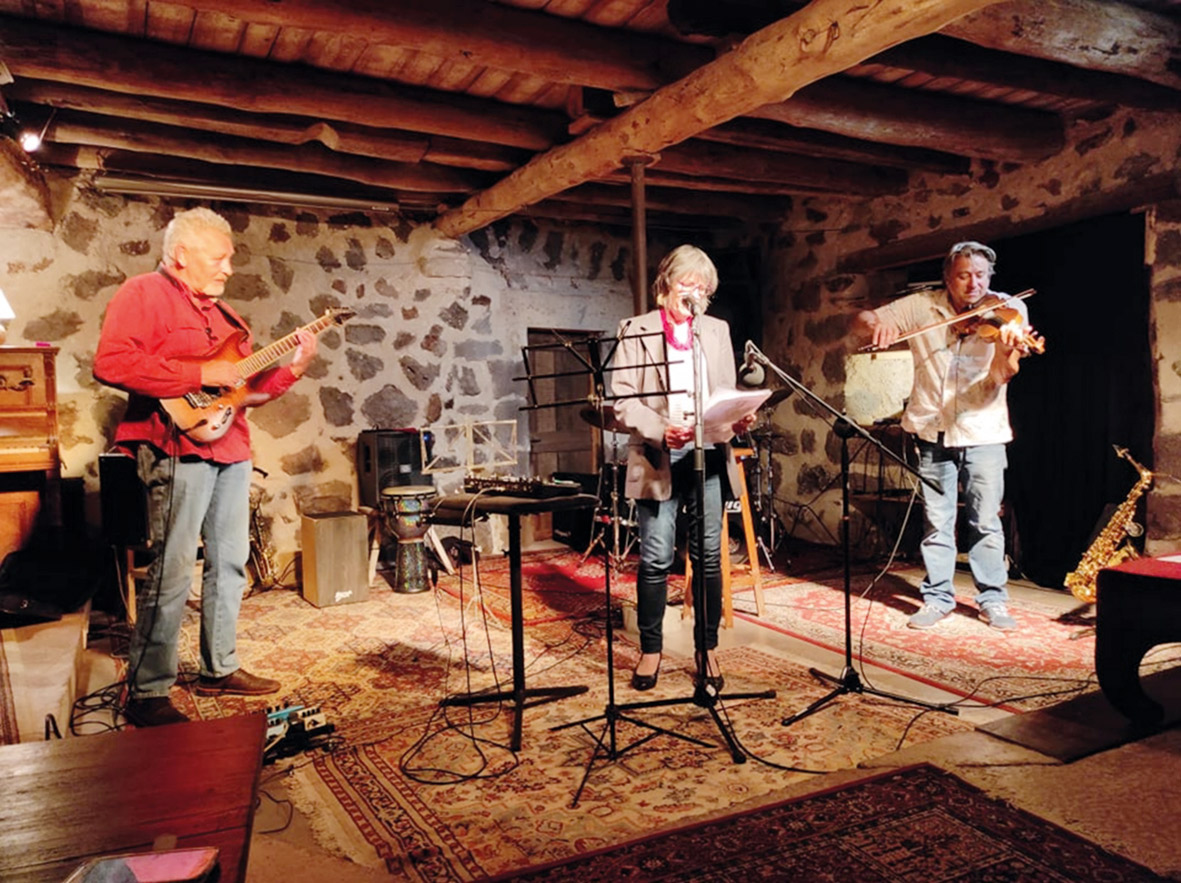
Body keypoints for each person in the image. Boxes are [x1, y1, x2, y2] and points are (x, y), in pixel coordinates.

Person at [95, 207, 316, 727]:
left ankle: (220, 668)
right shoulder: (143, 293)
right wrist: (198, 373)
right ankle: (148, 691)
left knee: (231, 562)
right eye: (219, 258)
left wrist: (294, 370)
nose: (228, 269)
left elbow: (245, 393)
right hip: (174, 447)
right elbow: (111, 363)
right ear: (181, 255)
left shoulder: (227, 317)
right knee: (173, 569)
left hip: (231, 449)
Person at [852, 240, 1039, 631]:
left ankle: (992, 599)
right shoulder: (922, 306)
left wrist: (1007, 349)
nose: (974, 284)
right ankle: (937, 598)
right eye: (964, 276)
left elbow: (1002, 375)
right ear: (948, 278)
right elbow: (863, 318)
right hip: (931, 429)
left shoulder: (1009, 309)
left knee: (985, 521)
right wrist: (876, 325)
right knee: (937, 521)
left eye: (981, 275)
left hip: (983, 429)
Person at [608, 245, 757, 692]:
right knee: (656, 556)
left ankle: (706, 648)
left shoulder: (715, 330)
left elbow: (724, 391)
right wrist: (660, 430)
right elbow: (622, 400)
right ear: (666, 284)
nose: (693, 293)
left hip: (708, 451)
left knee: (709, 557)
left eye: (702, 287)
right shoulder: (636, 329)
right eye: (685, 283)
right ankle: (651, 650)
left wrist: (737, 417)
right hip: (660, 455)